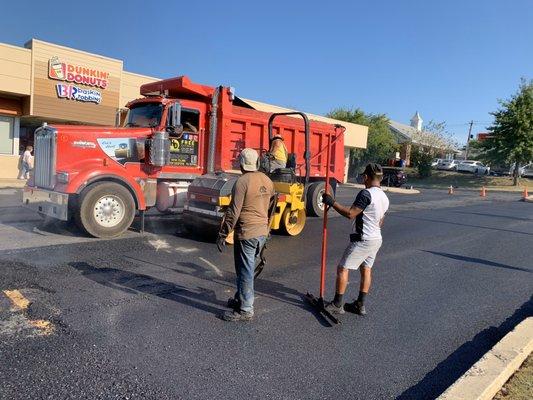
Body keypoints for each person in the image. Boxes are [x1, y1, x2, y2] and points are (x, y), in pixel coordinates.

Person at [321, 163, 389, 316]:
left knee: (343, 268)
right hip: (376, 238)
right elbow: (380, 222)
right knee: (366, 269)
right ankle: (360, 304)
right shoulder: (385, 197)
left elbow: (351, 214)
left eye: (364, 176)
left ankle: (337, 304)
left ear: (366, 177)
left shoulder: (366, 194)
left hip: (363, 239)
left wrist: (332, 202)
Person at [217, 148, 275, 322]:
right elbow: (271, 205)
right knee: (246, 269)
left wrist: (223, 233)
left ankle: (245, 310)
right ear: (256, 163)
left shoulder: (242, 182)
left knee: (245, 271)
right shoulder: (267, 180)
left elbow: (233, 212)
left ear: (241, 163)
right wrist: (266, 228)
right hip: (261, 233)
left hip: (247, 233)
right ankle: (240, 299)